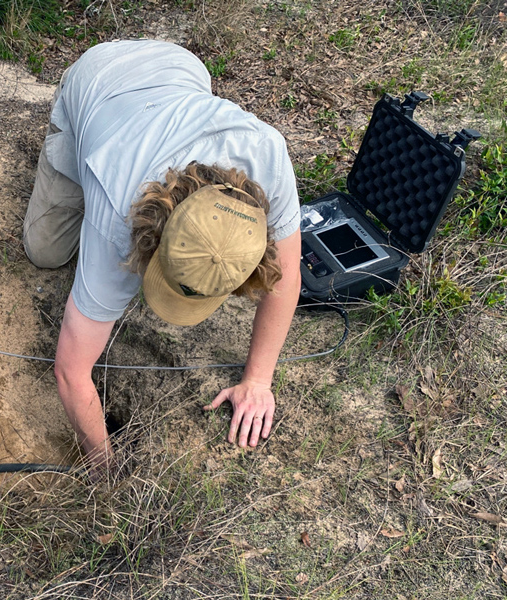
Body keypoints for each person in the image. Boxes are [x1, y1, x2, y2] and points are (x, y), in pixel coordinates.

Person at [23, 40, 302, 469]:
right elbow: (70, 371)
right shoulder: (118, 213)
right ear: (151, 236)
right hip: (98, 79)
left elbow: (285, 277)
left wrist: (258, 380)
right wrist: (104, 470)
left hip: (180, 67)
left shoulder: (267, 155)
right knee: (44, 252)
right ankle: (74, 149)